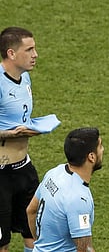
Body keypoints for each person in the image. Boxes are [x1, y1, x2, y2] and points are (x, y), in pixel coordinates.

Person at [0, 27, 60, 252]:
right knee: (2, 243)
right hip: (0, 174)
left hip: (23, 169)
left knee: (34, 232)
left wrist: (33, 127)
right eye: (29, 49)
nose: (36, 54)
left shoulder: (25, 78)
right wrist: (10, 134)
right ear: (11, 53)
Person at [26, 127, 104, 252]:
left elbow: (31, 211)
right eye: (100, 146)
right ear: (91, 157)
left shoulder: (54, 173)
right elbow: (85, 249)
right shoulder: (78, 199)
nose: (103, 150)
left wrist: (40, 245)